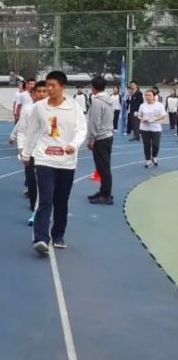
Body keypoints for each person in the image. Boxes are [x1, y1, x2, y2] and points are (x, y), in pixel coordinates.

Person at [21, 70, 87, 256]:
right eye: (47, 85)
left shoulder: (73, 107)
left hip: (66, 161)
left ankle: (58, 235)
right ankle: (41, 238)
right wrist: (26, 154)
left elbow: (81, 130)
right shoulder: (40, 107)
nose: (49, 89)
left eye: (53, 85)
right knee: (46, 199)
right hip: (44, 159)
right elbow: (32, 131)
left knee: (61, 200)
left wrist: (73, 145)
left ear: (63, 87)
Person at [11, 81, 47, 225]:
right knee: (32, 181)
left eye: (44, 91)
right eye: (38, 91)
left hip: (47, 152)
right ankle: (34, 208)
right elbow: (22, 130)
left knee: (45, 183)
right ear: (32, 94)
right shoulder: (27, 110)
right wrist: (21, 148)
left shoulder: (53, 110)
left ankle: (41, 211)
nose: (41, 94)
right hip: (30, 150)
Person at [86, 75, 115, 204]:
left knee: (103, 168)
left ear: (93, 87)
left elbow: (94, 122)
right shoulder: (108, 99)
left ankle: (106, 195)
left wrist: (91, 139)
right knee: (103, 166)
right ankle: (103, 191)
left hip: (101, 138)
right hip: (107, 135)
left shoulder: (97, 101)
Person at [137, 89, 166, 167]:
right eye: (146, 95)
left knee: (155, 144)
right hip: (144, 128)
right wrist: (142, 119)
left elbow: (163, 115)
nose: (147, 97)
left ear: (154, 96)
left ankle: (154, 156)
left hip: (156, 128)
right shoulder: (142, 105)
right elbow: (139, 115)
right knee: (146, 145)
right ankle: (148, 160)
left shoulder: (159, 105)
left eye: (149, 95)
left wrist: (154, 119)